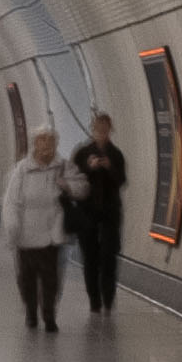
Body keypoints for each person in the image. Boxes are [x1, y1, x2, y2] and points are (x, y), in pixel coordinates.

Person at [7, 125, 68, 329]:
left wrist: (68, 187)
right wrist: (13, 226)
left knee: (51, 278)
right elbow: (12, 201)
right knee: (28, 279)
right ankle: (31, 312)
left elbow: (81, 186)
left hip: (52, 234)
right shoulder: (22, 170)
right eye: (42, 143)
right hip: (26, 234)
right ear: (35, 145)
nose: (46, 148)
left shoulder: (62, 167)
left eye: (50, 143)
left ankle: (49, 315)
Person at [65, 125, 127, 323]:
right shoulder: (82, 153)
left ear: (109, 132)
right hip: (87, 212)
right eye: (99, 131)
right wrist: (87, 167)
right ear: (93, 131)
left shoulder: (116, 154)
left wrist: (110, 168)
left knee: (109, 255)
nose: (102, 135)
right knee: (90, 257)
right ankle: (94, 299)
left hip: (110, 213)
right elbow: (73, 178)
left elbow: (122, 180)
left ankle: (108, 298)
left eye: (105, 131)